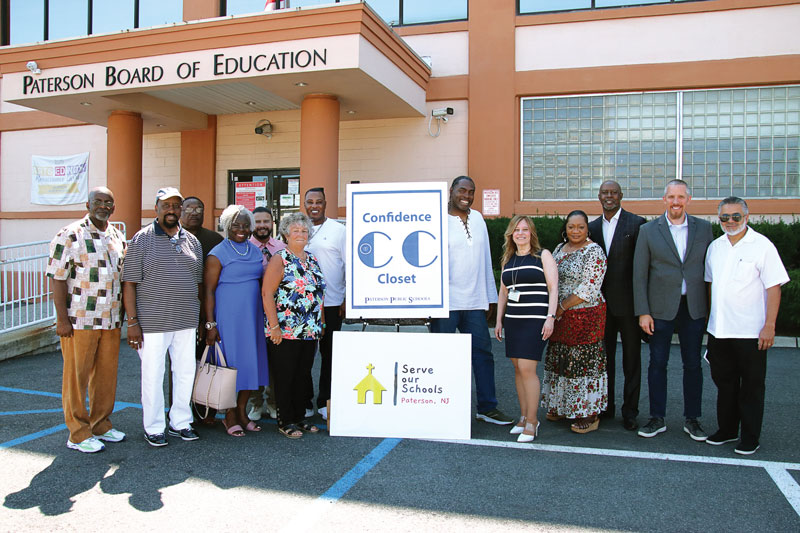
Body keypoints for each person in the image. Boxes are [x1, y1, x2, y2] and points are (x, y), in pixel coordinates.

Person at [704, 197, 789, 455]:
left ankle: (750, 436)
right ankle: (727, 430)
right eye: (725, 217)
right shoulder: (715, 247)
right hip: (720, 330)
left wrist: (770, 326)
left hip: (751, 331)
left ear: (746, 217)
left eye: (736, 217)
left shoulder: (762, 246)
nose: (730, 222)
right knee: (725, 383)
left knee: (751, 386)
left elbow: (774, 288)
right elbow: (711, 284)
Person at [46, 187, 127, 453]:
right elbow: (58, 278)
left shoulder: (117, 236)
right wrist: (62, 319)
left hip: (110, 319)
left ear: (113, 208)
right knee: (76, 377)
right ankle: (78, 433)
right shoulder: (69, 234)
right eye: (98, 201)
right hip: (79, 320)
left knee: (105, 376)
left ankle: (100, 424)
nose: (103, 206)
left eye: (108, 202)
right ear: (88, 204)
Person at [633, 179, 713, 440]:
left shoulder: (704, 229)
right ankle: (657, 418)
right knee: (657, 363)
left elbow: (710, 272)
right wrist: (643, 311)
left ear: (688, 199)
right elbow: (639, 275)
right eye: (671, 197)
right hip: (659, 309)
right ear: (664, 199)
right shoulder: (648, 230)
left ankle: (693, 419)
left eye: (681, 197)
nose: (676, 202)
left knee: (693, 365)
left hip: (693, 307)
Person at [123, 187, 203, 447]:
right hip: (152, 323)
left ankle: (181, 422)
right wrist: (132, 322)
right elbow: (130, 283)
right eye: (166, 205)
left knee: (185, 373)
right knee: (153, 375)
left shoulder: (192, 241)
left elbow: (197, 283)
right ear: (156, 208)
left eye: (176, 206)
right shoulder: (140, 239)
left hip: (186, 320)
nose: (171, 210)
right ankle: (154, 427)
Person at [431, 176, 513, 425]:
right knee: (442, 356)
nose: (466, 195)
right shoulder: (435, 219)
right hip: (445, 302)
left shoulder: (477, 218)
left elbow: (485, 258)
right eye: (462, 190)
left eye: (471, 191)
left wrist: (489, 297)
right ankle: (440, 406)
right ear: (451, 191)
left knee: (482, 355)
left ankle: (487, 407)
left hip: (474, 302)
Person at [204, 205, 269, 437]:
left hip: (252, 317)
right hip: (228, 318)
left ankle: (242, 411)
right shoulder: (217, 253)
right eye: (235, 224)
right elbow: (209, 291)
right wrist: (210, 324)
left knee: (249, 364)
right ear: (226, 226)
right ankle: (229, 414)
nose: (241, 229)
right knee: (230, 366)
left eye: (245, 225)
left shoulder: (254, 251)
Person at [541, 210, 608, 434]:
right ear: (566, 228)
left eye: (580, 227)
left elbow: (589, 288)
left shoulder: (594, 251)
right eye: (571, 227)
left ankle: (588, 413)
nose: (576, 231)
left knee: (582, 364)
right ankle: (563, 406)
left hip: (585, 316)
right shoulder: (559, 249)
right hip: (561, 318)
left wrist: (560, 307)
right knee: (562, 359)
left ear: (588, 228)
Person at [588, 180, 646, 431]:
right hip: (600, 306)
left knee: (632, 361)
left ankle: (630, 411)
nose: (609, 196)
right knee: (604, 359)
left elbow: (643, 267)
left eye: (613, 192)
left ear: (621, 195)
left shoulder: (638, 224)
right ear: (599, 197)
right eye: (604, 193)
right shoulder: (590, 227)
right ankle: (606, 406)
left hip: (630, 305)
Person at [494, 216, 558, 442]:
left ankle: (532, 421)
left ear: (532, 233)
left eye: (525, 229)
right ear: (511, 234)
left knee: (527, 368)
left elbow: (553, 287)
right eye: (517, 230)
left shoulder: (543, 256)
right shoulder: (508, 259)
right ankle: (522, 417)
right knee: (518, 370)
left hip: (535, 320)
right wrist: (499, 320)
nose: (521, 233)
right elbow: (503, 292)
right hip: (514, 320)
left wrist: (550, 317)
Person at [262, 212, 326, 439]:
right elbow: (267, 293)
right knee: (285, 376)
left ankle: (300, 417)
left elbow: (319, 293)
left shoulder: (312, 258)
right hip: (285, 330)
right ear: (286, 234)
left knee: (303, 375)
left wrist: (322, 321)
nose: (301, 234)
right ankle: (285, 420)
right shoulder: (280, 258)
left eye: (304, 231)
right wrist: (274, 326)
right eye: (296, 231)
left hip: (310, 330)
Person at [180, 196, 223, 426]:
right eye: (189, 208)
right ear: (181, 211)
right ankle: (179, 412)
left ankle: (205, 411)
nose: (194, 212)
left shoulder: (214, 240)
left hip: (207, 313)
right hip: (177, 314)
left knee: (206, 362)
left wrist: (209, 320)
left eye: (199, 208)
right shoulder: (170, 237)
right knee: (180, 366)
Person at [304, 187, 346, 421]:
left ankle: (324, 401)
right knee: (304, 356)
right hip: (304, 305)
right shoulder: (298, 228)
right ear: (305, 204)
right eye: (310, 202)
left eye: (318, 202)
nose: (314, 206)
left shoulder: (339, 230)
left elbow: (349, 264)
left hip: (331, 303)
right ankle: (305, 401)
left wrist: (346, 297)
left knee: (329, 355)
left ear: (325, 203)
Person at [247, 206, 285, 421]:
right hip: (251, 311)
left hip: (276, 313)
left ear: (272, 223)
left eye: (266, 221)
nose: (262, 225)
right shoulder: (244, 247)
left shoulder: (281, 247)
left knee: (274, 359)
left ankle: (273, 402)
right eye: (258, 221)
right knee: (254, 358)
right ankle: (255, 402)